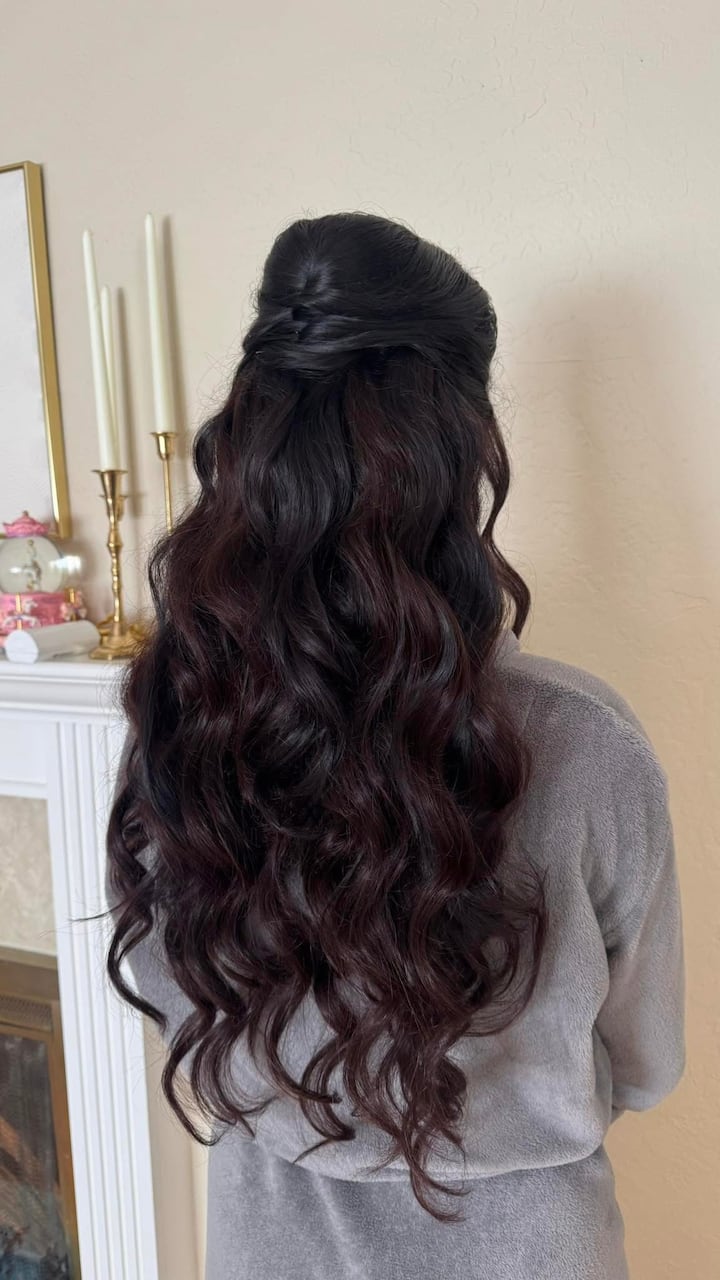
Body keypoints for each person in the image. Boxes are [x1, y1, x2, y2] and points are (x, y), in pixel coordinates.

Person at [106, 212, 685, 1280]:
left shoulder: (182, 714)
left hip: (264, 1235)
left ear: (254, 442)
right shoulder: (584, 741)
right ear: (455, 452)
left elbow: (174, 983)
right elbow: (649, 1059)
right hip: (528, 1248)